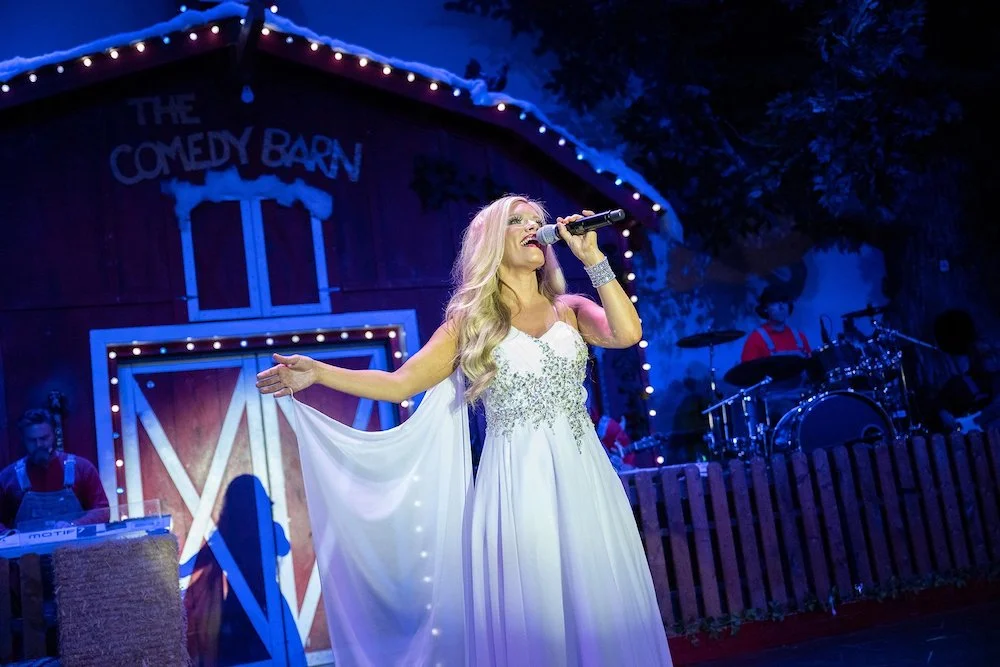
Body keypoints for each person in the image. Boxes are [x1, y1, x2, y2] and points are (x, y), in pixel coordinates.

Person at [256, 196, 672, 666]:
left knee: (600, 602)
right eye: (518, 222)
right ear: (492, 242)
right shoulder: (470, 324)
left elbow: (627, 333)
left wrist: (594, 258)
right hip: (517, 484)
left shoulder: (570, 309)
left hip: (584, 477)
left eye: (538, 221)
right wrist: (320, 372)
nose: (534, 227)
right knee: (536, 612)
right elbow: (401, 384)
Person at [0, 408, 110, 532]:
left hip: (76, 548)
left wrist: (74, 525)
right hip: (27, 551)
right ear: (23, 440)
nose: (39, 445)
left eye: (44, 438)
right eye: (32, 440)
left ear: (54, 434)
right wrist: (9, 536)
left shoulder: (82, 468)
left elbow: (102, 510)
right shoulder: (8, 477)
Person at [741, 284, 812, 363]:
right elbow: (748, 372)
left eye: (784, 301)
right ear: (765, 308)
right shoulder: (756, 339)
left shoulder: (799, 336)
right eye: (775, 302)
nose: (781, 306)